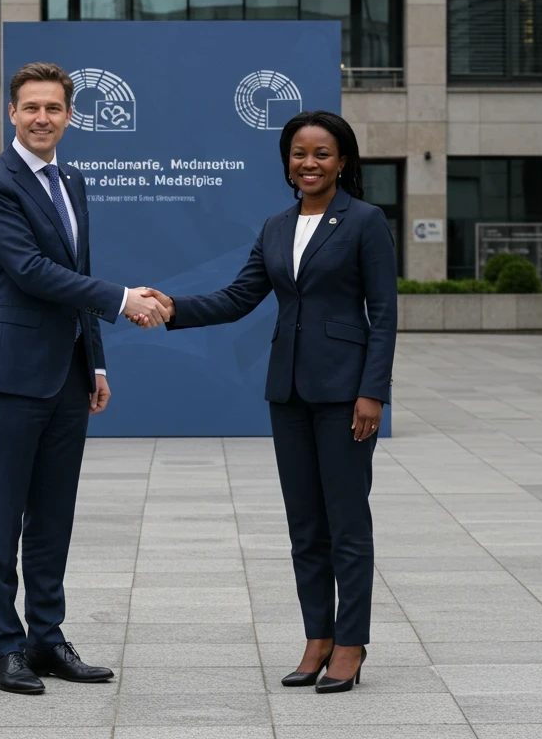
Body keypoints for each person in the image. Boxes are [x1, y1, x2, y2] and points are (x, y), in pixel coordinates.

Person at [130, 110, 397, 693]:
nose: (309, 163)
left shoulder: (366, 222)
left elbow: (385, 315)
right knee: (305, 526)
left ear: (343, 161)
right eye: (299, 153)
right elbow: (239, 297)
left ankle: (351, 643)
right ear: (287, 162)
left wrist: (373, 392)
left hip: (346, 395)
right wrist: (174, 306)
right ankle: (317, 637)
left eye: (322, 154)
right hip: (288, 393)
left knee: (347, 524)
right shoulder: (276, 226)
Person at [0, 62, 169, 694]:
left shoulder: (71, 180)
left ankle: (46, 639)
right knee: (5, 517)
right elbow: (29, 271)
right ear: (12, 114)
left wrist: (96, 359)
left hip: (68, 374)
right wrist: (125, 297)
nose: (43, 118)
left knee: (54, 516)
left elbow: (79, 269)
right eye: (31, 108)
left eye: (54, 108)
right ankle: (6, 649)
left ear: (70, 115)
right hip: (12, 373)